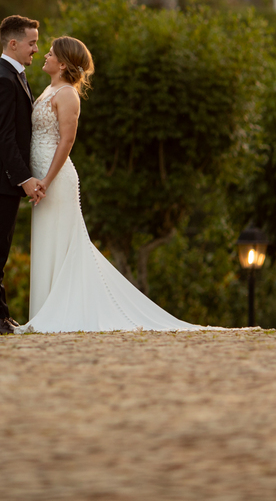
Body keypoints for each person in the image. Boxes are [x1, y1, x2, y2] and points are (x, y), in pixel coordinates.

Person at [19, 35, 205, 333]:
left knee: (61, 242)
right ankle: (44, 311)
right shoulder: (48, 89)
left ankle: (60, 314)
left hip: (55, 180)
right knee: (46, 240)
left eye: (50, 53)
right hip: (40, 180)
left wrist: (47, 181)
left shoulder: (67, 94)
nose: (45, 55)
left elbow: (67, 140)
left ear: (63, 63)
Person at [0, 15, 46, 336]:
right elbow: (3, 137)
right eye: (32, 43)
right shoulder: (2, 79)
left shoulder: (13, 75)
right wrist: (24, 178)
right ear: (13, 44)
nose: (36, 49)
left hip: (3, 179)